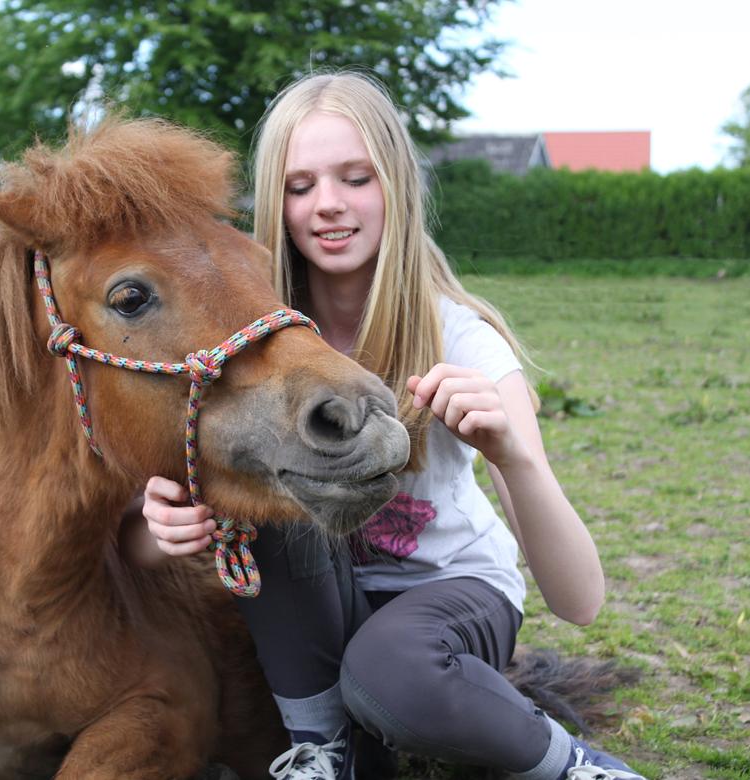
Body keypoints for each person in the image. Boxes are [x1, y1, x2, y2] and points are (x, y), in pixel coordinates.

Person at [125, 71, 645, 780]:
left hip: (450, 598)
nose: (328, 205)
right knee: (284, 499)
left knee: (388, 673)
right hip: (312, 617)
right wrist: (168, 530)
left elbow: (579, 600)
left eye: (355, 178)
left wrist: (514, 455)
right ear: (273, 203)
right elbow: (146, 545)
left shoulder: (462, 340)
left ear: (396, 185)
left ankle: (575, 765)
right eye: (300, 185)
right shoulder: (247, 351)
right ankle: (324, 755)